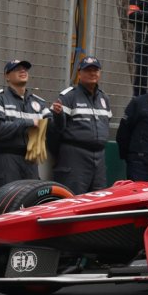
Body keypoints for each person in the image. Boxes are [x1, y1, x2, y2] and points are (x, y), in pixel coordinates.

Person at [0, 58, 50, 192]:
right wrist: (29, 122)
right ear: (7, 76)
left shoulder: (38, 102)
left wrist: (59, 115)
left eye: (25, 69)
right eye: (16, 69)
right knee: (6, 206)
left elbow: (53, 127)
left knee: (30, 206)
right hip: (7, 160)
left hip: (31, 161)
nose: (22, 71)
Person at [50, 56, 112, 194]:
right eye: (88, 70)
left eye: (95, 70)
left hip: (99, 158)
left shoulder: (104, 98)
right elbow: (54, 131)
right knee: (73, 199)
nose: (92, 73)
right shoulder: (68, 96)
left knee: (98, 201)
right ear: (79, 73)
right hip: (74, 157)